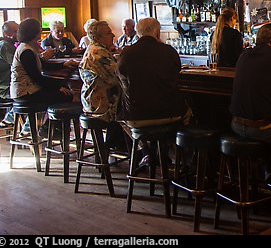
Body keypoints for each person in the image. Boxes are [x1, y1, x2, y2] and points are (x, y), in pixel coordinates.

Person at [116, 18, 192, 163]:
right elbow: (176, 76)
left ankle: (147, 151)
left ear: (137, 33)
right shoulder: (169, 52)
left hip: (135, 118)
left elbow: (120, 78)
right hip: (170, 114)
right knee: (191, 112)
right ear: (157, 33)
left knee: (120, 117)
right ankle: (175, 155)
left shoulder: (126, 54)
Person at [10, 18, 79, 136]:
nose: (41, 31)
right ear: (34, 32)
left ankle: (52, 129)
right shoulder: (27, 51)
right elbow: (37, 78)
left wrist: (64, 64)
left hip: (25, 91)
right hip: (25, 93)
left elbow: (43, 65)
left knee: (64, 91)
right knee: (67, 95)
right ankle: (49, 129)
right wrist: (57, 87)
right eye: (39, 29)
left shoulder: (27, 47)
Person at [78, 20, 126, 150]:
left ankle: (116, 145)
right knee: (132, 109)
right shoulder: (98, 53)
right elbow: (118, 76)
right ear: (98, 38)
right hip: (101, 105)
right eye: (109, 33)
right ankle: (135, 151)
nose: (113, 36)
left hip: (93, 101)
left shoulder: (93, 49)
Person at [0, 21, 19, 128]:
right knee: (34, 95)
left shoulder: (7, 45)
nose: (18, 33)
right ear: (6, 34)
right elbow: (19, 64)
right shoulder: (4, 46)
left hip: (7, 85)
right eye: (15, 31)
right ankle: (29, 129)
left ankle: (10, 118)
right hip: (3, 88)